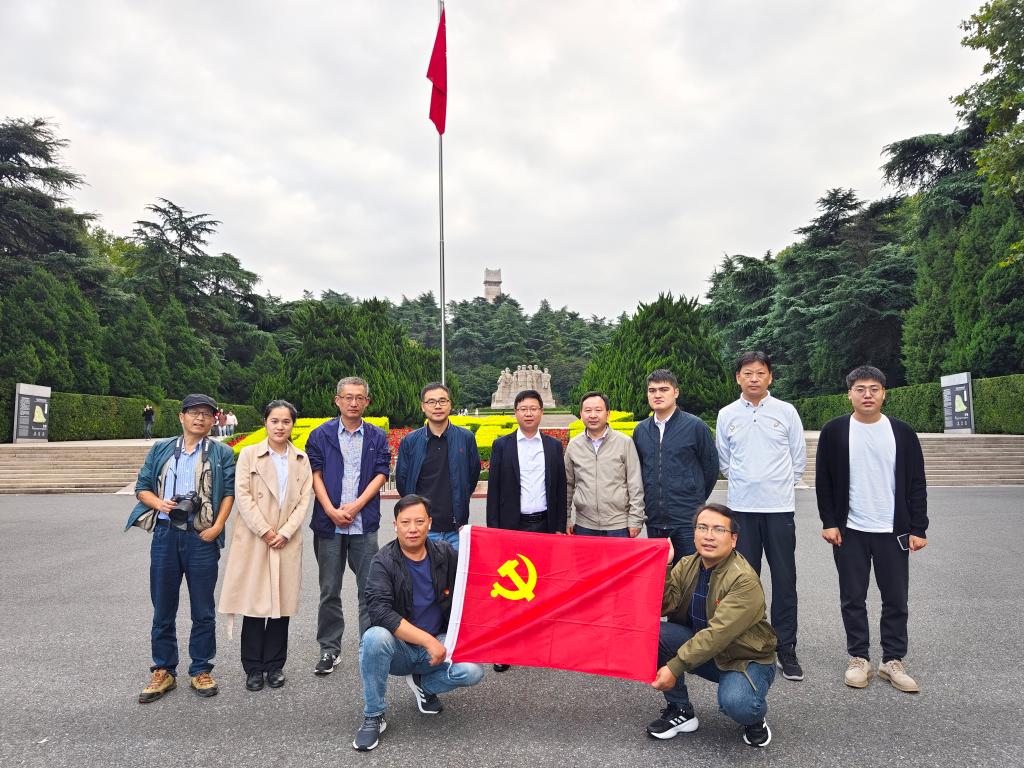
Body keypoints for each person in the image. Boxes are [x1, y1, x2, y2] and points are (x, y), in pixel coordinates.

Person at [816, 365, 928, 693]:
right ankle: (858, 658)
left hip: (893, 530)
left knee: (896, 598)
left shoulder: (902, 432)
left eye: (874, 389)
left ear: (884, 394)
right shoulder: (835, 431)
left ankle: (892, 660)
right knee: (853, 596)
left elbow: (917, 482)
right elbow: (824, 481)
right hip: (850, 529)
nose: (867, 394)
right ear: (849, 394)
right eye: (860, 389)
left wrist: (918, 527)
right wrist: (829, 522)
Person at [126, 393, 236, 703]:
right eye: (194, 413)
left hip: (201, 536)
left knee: (203, 609)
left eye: (206, 414)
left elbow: (227, 493)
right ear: (181, 417)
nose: (200, 418)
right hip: (164, 534)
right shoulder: (162, 449)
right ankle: (163, 670)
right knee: (163, 607)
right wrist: (160, 503)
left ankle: (201, 668)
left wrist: (216, 528)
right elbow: (141, 487)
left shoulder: (220, 453)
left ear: (214, 419)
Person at [353, 495, 485, 751]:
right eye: (406, 522)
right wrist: (427, 642)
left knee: (473, 671)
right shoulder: (383, 561)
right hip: (401, 648)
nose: (412, 529)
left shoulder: (445, 554)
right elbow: (380, 612)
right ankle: (373, 715)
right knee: (374, 637)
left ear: (429, 523)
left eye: (419, 521)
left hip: (440, 640)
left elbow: (476, 578)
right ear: (395, 525)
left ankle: (424, 685)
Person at [648, 503, 777, 748]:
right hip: (708, 652)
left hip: (745, 658)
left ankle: (754, 718)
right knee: (656, 634)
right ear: (694, 532)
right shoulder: (687, 564)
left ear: (734, 539)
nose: (709, 536)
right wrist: (664, 566)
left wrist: (674, 667)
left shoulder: (743, 580)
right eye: (702, 527)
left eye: (718, 530)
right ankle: (680, 710)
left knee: (738, 703)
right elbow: (664, 606)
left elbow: (718, 634)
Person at [716, 351, 807, 681]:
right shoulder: (727, 414)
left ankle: (787, 647)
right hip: (742, 510)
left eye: (760, 373)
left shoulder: (786, 412)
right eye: (747, 373)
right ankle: (750, 643)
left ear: (770, 377)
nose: (754, 378)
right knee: (743, 581)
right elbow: (724, 461)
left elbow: (798, 458)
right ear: (738, 377)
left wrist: (777, 485)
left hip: (779, 509)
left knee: (785, 580)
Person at [218, 400, 313, 691]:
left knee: (281, 606)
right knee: (255, 605)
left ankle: (274, 666)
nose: (280, 426)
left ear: (292, 425)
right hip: (256, 539)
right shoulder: (249, 455)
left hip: (286, 539)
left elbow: (303, 500)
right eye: (275, 421)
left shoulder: (300, 459)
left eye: (286, 421)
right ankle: (253, 668)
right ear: (265, 423)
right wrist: (266, 531)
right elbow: (243, 496)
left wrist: (284, 532)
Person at [305, 376, 391, 677]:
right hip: (328, 525)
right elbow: (314, 473)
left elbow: (381, 474)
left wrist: (355, 507)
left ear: (367, 401)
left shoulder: (377, 436)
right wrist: (330, 509)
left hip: (363, 525)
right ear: (337, 400)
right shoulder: (320, 435)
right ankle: (329, 649)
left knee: (370, 588)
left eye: (359, 397)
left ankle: (370, 646)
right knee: (329, 588)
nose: (353, 402)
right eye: (348, 397)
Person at [485, 388, 567, 672]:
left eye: (533, 408)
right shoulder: (502, 445)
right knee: (510, 587)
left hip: (543, 524)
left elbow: (559, 489)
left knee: (542, 584)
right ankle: (505, 646)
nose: (528, 413)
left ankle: (538, 642)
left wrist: (558, 527)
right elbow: (493, 490)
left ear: (541, 412)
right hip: (512, 525)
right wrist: (494, 531)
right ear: (516, 413)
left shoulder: (554, 447)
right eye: (523, 409)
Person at [633, 369, 718, 564]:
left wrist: (693, 494)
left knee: (690, 574)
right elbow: (639, 470)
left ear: (676, 392)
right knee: (659, 575)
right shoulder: (641, 430)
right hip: (654, 517)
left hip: (687, 517)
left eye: (664, 389)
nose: (657, 395)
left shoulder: (695, 426)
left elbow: (711, 468)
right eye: (652, 390)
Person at [395, 382, 481, 551]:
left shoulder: (466, 438)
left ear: (450, 404)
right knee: (423, 577)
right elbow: (403, 483)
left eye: (442, 401)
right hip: (423, 530)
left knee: (455, 576)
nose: (437, 406)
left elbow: (471, 476)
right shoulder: (410, 441)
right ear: (423, 407)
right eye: (431, 402)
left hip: (456, 529)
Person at [564, 391, 645, 538]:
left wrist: (635, 519)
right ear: (581, 414)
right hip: (584, 525)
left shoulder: (624, 442)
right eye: (588, 410)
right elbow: (567, 485)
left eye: (598, 410)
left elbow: (635, 483)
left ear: (607, 413)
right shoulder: (574, 445)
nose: (593, 415)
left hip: (619, 525)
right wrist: (567, 518)